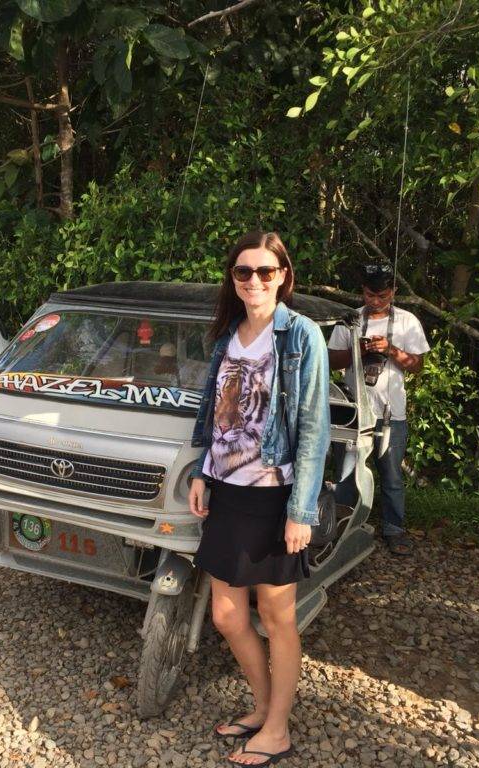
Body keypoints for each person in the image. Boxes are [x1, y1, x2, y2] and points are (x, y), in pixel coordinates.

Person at [188, 231, 329, 766]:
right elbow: (215, 414)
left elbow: (314, 428)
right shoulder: (228, 335)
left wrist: (301, 511)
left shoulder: (300, 336)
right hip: (226, 490)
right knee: (226, 614)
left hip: (274, 495)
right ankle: (266, 707)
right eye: (243, 272)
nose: (254, 281)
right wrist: (203, 470)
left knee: (277, 618)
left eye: (265, 272)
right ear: (233, 279)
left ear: (283, 277)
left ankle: (277, 729)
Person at [327, 261, 429, 556]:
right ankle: (341, 529)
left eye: (382, 296)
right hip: (353, 412)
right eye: (370, 295)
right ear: (363, 292)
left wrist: (391, 350)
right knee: (346, 474)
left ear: (393, 292)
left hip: (390, 413)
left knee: (392, 476)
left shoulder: (407, 321)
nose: (375, 301)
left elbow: (418, 366)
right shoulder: (350, 320)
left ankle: (393, 530)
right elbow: (332, 361)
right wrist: (359, 349)